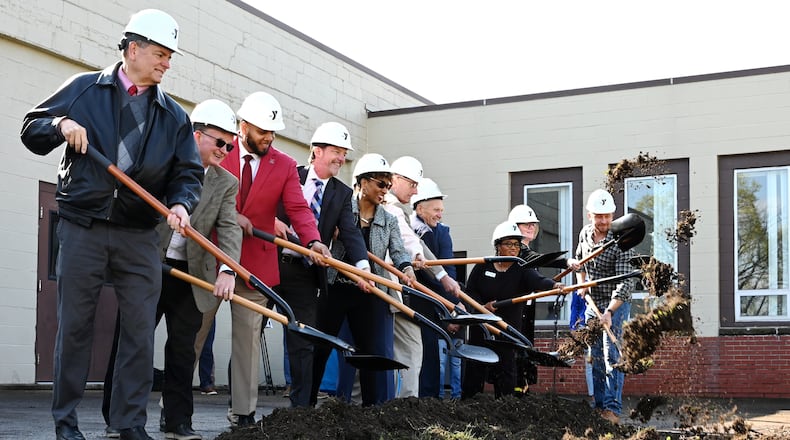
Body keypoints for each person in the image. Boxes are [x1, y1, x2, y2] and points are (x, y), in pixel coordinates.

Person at [20, 9, 204, 440]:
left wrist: (181, 203)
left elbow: (188, 173)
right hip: (82, 225)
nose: (167, 63)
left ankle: (129, 423)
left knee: (139, 332)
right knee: (75, 328)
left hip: (139, 234)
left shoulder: (175, 117)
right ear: (133, 49)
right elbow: (31, 128)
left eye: (170, 56)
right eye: (161, 54)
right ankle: (66, 423)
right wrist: (60, 124)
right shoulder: (84, 89)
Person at [101, 99, 241, 440]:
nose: (225, 150)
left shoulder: (225, 183)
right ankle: (118, 417)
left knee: (183, 349)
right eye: (220, 142)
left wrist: (228, 269)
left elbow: (229, 227)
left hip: (191, 275)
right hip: (148, 265)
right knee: (132, 342)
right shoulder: (162, 163)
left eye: (229, 145)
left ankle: (177, 421)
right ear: (196, 135)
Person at [218, 91, 331, 426]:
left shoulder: (283, 165)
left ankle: (243, 413)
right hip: (211, 255)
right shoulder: (221, 151)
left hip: (255, 264)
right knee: (192, 336)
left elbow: (297, 208)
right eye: (262, 130)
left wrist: (313, 240)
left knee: (248, 339)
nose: (269, 137)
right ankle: (174, 410)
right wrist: (232, 215)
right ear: (243, 127)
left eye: (273, 131)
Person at [273, 121, 370, 408]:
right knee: (250, 331)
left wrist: (363, 269)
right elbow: (264, 204)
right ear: (317, 151)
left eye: (344, 153)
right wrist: (271, 221)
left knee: (303, 339)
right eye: (336, 151)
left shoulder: (342, 193)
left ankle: (301, 409)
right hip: (271, 262)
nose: (341, 158)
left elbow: (350, 233)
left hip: (305, 273)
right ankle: (242, 409)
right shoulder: (291, 175)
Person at [313, 153, 416, 406]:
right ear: (363, 182)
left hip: (370, 291)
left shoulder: (388, 219)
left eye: (388, 185)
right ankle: (307, 401)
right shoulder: (342, 210)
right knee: (320, 347)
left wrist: (406, 268)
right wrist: (331, 235)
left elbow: (398, 251)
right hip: (337, 287)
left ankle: (372, 410)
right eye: (380, 184)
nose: (385, 190)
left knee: (372, 353)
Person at [383, 156, 461, 399]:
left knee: (412, 349)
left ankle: (408, 404)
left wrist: (444, 280)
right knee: (397, 350)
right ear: (395, 179)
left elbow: (414, 244)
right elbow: (410, 241)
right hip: (392, 291)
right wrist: (419, 259)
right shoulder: (391, 207)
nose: (415, 190)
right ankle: (394, 402)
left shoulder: (402, 212)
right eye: (412, 184)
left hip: (399, 293)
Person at [462, 221, 562, 399]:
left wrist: (554, 285)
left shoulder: (522, 269)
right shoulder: (482, 266)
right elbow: (470, 292)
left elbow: (539, 281)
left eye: (516, 244)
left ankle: (505, 406)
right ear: (498, 246)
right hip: (482, 327)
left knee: (506, 370)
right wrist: (481, 308)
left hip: (507, 330)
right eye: (509, 244)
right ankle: (469, 404)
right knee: (475, 368)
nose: (514, 248)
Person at [574, 189, 637, 424]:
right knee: (596, 357)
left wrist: (610, 312)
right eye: (598, 216)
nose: (603, 221)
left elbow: (625, 282)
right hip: (593, 303)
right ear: (589, 215)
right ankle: (599, 406)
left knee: (612, 355)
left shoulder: (622, 240)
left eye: (607, 216)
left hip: (616, 305)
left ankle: (612, 409)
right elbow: (580, 262)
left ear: (613, 215)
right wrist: (582, 284)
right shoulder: (585, 234)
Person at [507, 204, 580, 392]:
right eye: (526, 224)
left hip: (526, 308)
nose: (531, 227)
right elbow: (538, 260)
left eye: (533, 224)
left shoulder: (526, 251)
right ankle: (515, 390)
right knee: (518, 349)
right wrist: (565, 262)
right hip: (514, 309)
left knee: (526, 347)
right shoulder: (518, 251)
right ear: (515, 227)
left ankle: (522, 389)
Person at [410, 178, 463, 399]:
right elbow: (428, 276)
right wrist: (450, 306)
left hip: (435, 303)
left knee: (430, 355)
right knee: (421, 355)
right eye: (436, 210)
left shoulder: (442, 232)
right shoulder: (412, 232)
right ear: (419, 208)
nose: (440, 214)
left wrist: (453, 304)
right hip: (416, 303)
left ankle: (429, 401)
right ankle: (420, 399)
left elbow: (448, 271)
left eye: (441, 210)